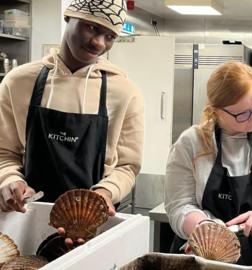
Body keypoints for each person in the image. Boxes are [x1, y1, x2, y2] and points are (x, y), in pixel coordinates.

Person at [0, 0, 144, 218]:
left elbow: (127, 166)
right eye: (92, 27)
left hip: (91, 221)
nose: (99, 43)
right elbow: (4, 152)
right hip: (25, 215)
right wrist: (10, 179)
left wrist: (105, 192)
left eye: (110, 36)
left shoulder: (125, 92)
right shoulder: (18, 82)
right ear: (68, 16)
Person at [164, 61, 252, 268]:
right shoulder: (190, 142)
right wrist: (204, 228)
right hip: (205, 260)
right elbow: (179, 204)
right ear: (217, 111)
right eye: (242, 114)